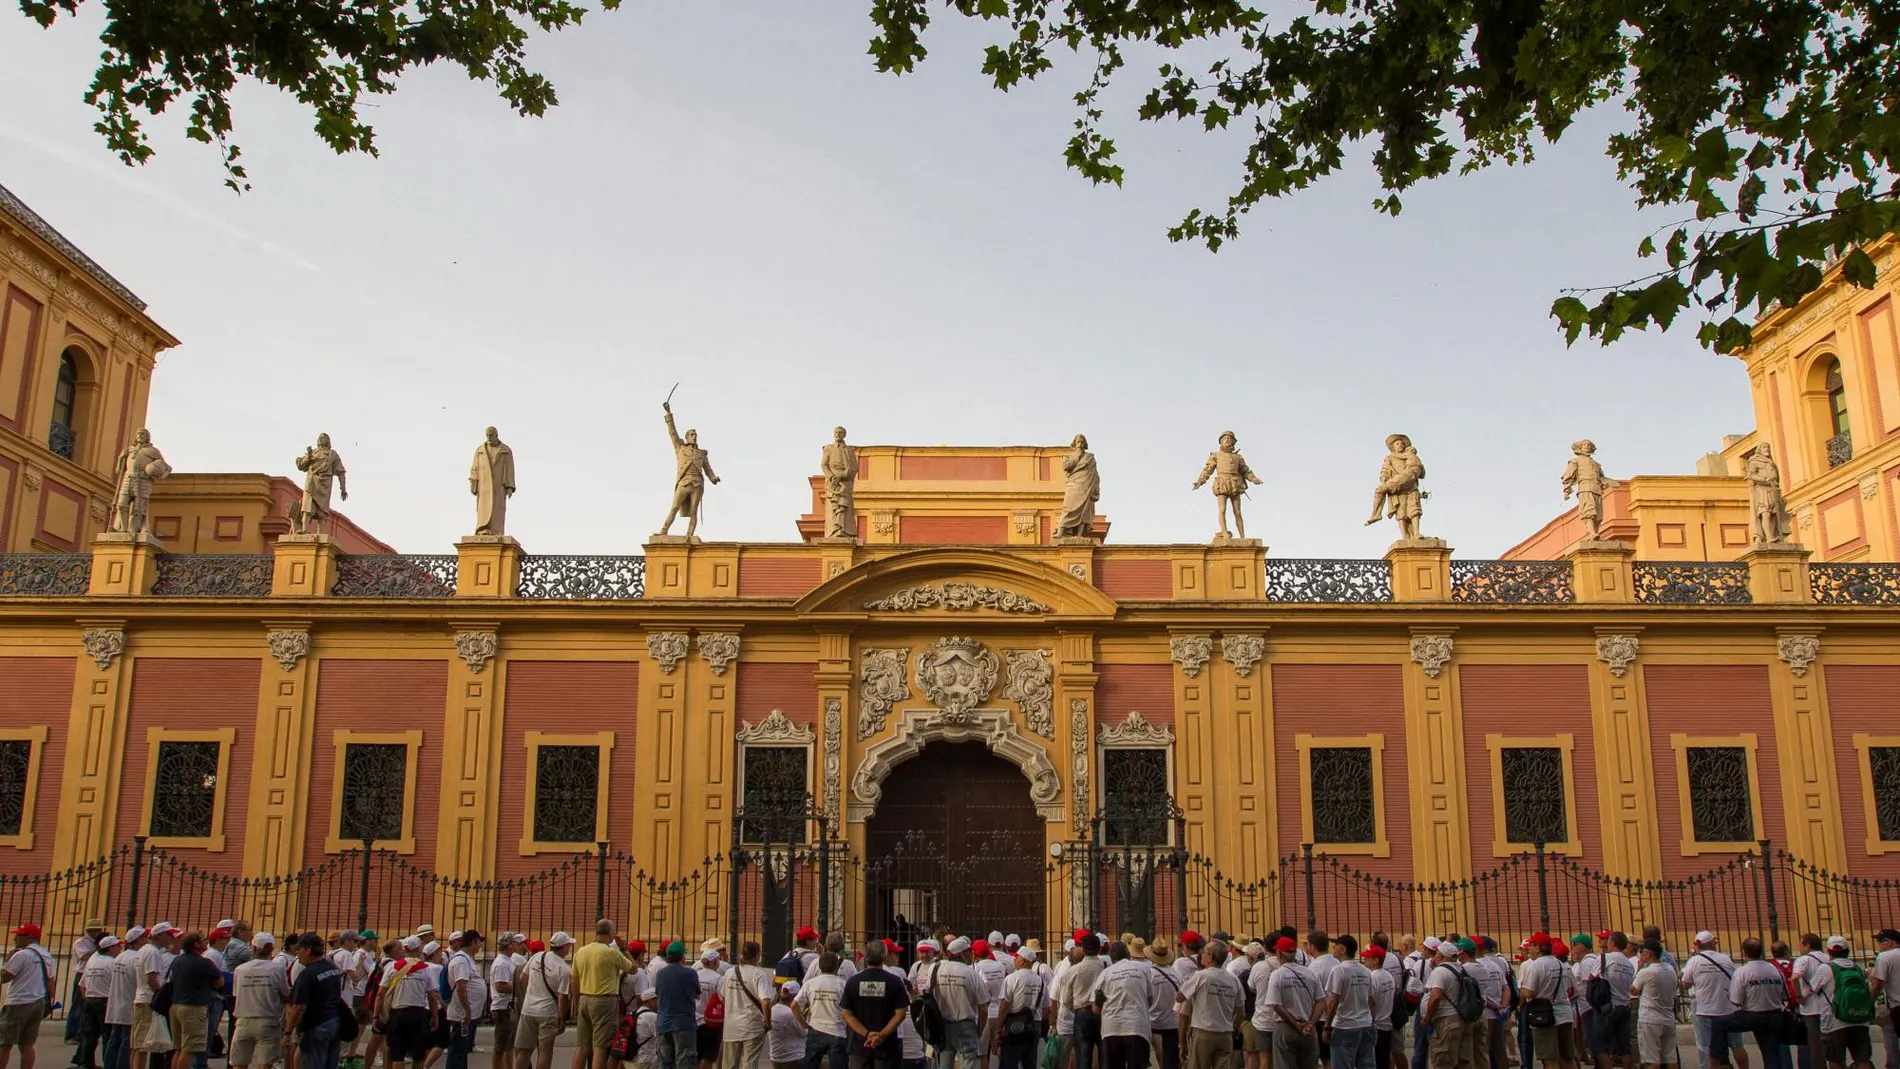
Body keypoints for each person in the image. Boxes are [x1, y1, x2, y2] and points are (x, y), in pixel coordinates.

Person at [1712, 939, 1792, 1069]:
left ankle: (1722, 1061)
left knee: (1718, 1023)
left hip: (1752, 1016)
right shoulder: (1775, 970)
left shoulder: (1742, 972)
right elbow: (1784, 995)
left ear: (1744, 953)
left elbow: (1736, 1000)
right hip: (1775, 1016)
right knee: (1771, 1056)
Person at [574, 924, 637, 1069]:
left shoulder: (581, 951)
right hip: (604, 1000)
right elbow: (633, 969)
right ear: (611, 933)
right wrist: (624, 949)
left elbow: (574, 979)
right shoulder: (611, 953)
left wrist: (577, 1001)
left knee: (582, 1046)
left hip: (584, 998)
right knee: (600, 1046)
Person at [1805, 938, 1873, 1069]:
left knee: (1836, 1060)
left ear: (1829, 951)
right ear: (1847, 951)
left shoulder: (1825, 968)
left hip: (1834, 1021)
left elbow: (1810, 990)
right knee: (1863, 1058)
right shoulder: (1857, 968)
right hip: (1860, 1019)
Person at [840, 942, 908, 1069]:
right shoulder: (895, 981)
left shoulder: (853, 981)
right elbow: (901, 1014)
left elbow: (846, 1013)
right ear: (885, 956)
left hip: (859, 1045)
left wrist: (867, 1034)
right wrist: (881, 1036)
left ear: (866, 957)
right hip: (887, 1047)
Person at [1683, 933, 1746, 1069]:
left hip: (1705, 1010)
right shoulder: (1725, 958)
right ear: (1711, 943)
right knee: (1736, 1045)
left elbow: (1685, 984)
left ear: (1697, 945)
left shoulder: (1694, 961)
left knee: (1708, 1045)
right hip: (1728, 1008)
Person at [657, 402, 720, 538]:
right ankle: (663, 531)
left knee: (693, 511)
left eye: (695, 434)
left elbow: (708, 469)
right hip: (684, 482)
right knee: (674, 507)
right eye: (691, 434)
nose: (694, 436)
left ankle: (689, 535)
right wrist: (668, 413)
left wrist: (713, 478)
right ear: (686, 437)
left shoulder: (702, 453)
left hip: (697, 483)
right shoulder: (680, 448)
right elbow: (672, 432)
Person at [1179, 940, 1243, 1069]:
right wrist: (1231, 1026)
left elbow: (1180, 997)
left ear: (1210, 957)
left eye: (1204, 952)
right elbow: (1241, 1013)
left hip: (1203, 1032)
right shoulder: (1233, 979)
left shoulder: (1201, 976)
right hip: (1225, 1033)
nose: (1201, 955)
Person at [514, 932, 574, 1069]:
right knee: (545, 1052)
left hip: (528, 1010)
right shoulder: (564, 969)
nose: (569, 948)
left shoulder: (537, 956)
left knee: (524, 1050)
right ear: (564, 947)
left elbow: (523, 978)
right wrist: (562, 1019)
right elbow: (563, 997)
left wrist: (531, 993)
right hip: (548, 1013)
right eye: (569, 945)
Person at [231, 934, 291, 1069]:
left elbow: (236, 994)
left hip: (243, 1019)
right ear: (271, 948)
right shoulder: (277, 969)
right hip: (268, 1020)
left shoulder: (240, 969)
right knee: (265, 1063)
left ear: (253, 947)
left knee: (239, 1063)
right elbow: (286, 993)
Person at [1519, 933, 1579, 1069]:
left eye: (1531, 946)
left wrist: (1521, 989)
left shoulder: (1536, 966)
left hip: (1545, 1016)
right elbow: (1572, 990)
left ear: (1538, 948)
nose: (1529, 950)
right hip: (1565, 1014)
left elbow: (1528, 992)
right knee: (1567, 1058)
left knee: (1549, 1060)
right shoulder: (1562, 965)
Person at [379, 936, 439, 1069]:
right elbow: (432, 997)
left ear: (404, 949)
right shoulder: (425, 968)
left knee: (398, 1056)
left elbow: (380, 994)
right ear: (419, 949)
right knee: (418, 1056)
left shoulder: (392, 967)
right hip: (418, 1014)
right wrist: (435, 1017)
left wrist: (377, 1015)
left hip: (398, 1014)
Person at [1092, 942, 1155, 1069]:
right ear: (1128, 953)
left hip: (1112, 1029)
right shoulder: (1143, 969)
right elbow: (1149, 999)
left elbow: (1097, 1008)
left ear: (1111, 957)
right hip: (1137, 1027)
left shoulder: (1105, 974)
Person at [287, 934, 345, 1069]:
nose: (297, 953)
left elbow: (298, 1006)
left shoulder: (307, 974)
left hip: (315, 1025)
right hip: (334, 1022)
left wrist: (288, 1031)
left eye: (299, 949)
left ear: (307, 951)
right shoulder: (333, 968)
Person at [166, 934, 223, 1069]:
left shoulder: (177, 960)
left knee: (179, 1048)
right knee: (190, 1049)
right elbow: (220, 982)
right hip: (194, 1008)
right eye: (203, 940)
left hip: (176, 1005)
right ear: (196, 944)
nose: (207, 942)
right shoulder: (204, 963)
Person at [928, 938, 985, 1069]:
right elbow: (983, 1008)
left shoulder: (935, 969)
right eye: (970, 951)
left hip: (941, 1026)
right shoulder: (971, 973)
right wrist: (979, 1031)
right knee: (969, 1064)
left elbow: (928, 995)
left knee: (943, 1064)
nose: (972, 954)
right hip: (966, 1026)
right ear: (962, 953)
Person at [721, 941, 776, 1069]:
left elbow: (723, 997)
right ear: (757, 956)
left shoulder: (729, 973)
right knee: (750, 1063)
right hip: (752, 1026)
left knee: (729, 1065)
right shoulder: (759, 975)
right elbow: (766, 1002)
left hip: (731, 1027)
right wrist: (767, 1022)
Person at [1328, 936, 1376, 1069]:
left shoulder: (1339, 970)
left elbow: (1334, 1000)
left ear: (1343, 950)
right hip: (1365, 1024)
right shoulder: (1365, 970)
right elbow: (1371, 1001)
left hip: (1345, 1026)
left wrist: (1327, 1026)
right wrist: (1372, 1021)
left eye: (1336, 945)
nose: (1333, 948)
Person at [443, 930, 488, 1069]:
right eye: (479, 942)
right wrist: (467, 1010)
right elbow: (461, 987)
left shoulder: (467, 959)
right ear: (473, 941)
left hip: (468, 1013)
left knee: (462, 1050)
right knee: (457, 1049)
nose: (480, 946)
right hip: (461, 1014)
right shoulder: (461, 960)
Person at [794, 953, 848, 1069]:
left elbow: (794, 1005)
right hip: (837, 1031)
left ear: (819, 966)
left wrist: (803, 1023)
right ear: (836, 966)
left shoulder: (810, 983)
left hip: (815, 1029)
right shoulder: (843, 985)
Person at [1422, 941, 1470, 1069]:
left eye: (1437, 953)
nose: (1434, 956)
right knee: (1459, 1061)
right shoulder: (1459, 968)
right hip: (1458, 1019)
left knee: (1443, 1061)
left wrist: (1427, 1018)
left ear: (1442, 956)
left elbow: (1436, 996)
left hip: (1445, 1021)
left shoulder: (1440, 971)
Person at [1628, 942, 1676, 1069]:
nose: (1640, 956)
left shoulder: (1646, 972)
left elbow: (1633, 990)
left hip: (1649, 1019)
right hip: (1668, 1017)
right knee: (1670, 1058)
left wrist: (1638, 969)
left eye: (1641, 952)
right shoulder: (1670, 969)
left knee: (1652, 1059)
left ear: (1648, 954)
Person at [657, 942, 704, 1069]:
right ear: (682, 956)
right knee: (685, 1061)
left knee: (665, 1063)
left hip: (664, 1024)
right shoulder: (690, 973)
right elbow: (697, 994)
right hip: (684, 1024)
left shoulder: (660, 974)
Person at [998, 948, 1046, 1069]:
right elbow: (1047, 1008)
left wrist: (998, 1028)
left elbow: (1004, 1006)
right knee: (1030, 1063)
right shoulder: (1040, 981)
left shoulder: (1012, 978)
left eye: (1017, 957)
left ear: (1023, 961)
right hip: (1034, 1024)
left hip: (1015, 1025)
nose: (1014, 959)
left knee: (1009, 1062)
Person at [1865, 930, 1899, 1069]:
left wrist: (1869, 1004)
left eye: (1880, 941)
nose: (1879, 945)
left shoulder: (1884, 957)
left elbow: (1877, 984)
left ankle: (1893, 1065)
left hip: (1896, 1005)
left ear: (1890, 942)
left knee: (1889, 1031)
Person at [1364, 947, 1396, 1069]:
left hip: (1376, 1025)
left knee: (1375, 1061)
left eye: (1367, 957)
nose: (1364, 959)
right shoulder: (1388, 976)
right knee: (1384, 1060)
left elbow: (1370, 1002)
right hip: (1387, 1023)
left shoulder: (1372, 977)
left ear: (1376, 960)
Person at [771, 983, 809, 1069]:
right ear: (795, 996)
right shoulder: (791, 1013)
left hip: (775, 1058)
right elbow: (804, 1033)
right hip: (794, 1058)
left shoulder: (772, 1009)